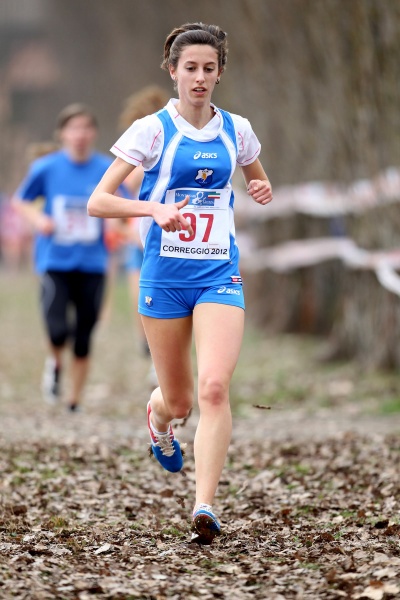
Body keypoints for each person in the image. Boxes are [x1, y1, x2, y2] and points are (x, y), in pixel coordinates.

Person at [88, 22, 273, 544]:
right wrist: (153, 209)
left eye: (209, 69)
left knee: (215, 387)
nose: (199, 78)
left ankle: (204, 505)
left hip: (218, 273)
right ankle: (158, 416)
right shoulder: (151, 131)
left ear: (220, 73)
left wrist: (261, 188)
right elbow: (98, 202)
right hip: (164, 278)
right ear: (172, 71)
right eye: (190, 68)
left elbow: (257, 177)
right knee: (181, 400)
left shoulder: (237, 129)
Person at [13, 103, 120, 412]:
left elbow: (123, 203)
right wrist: (39, 220)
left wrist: (115, 224)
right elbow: (20, 201)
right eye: (74, 128)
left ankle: (74, 400)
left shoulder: (106, 168)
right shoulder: (46, 168)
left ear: (94, 133)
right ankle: (55, 363)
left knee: (84, 336)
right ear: (62, 134)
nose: (80, 134)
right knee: (58, 330)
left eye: (86, 128)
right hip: (55, 261)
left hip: (93, 262)